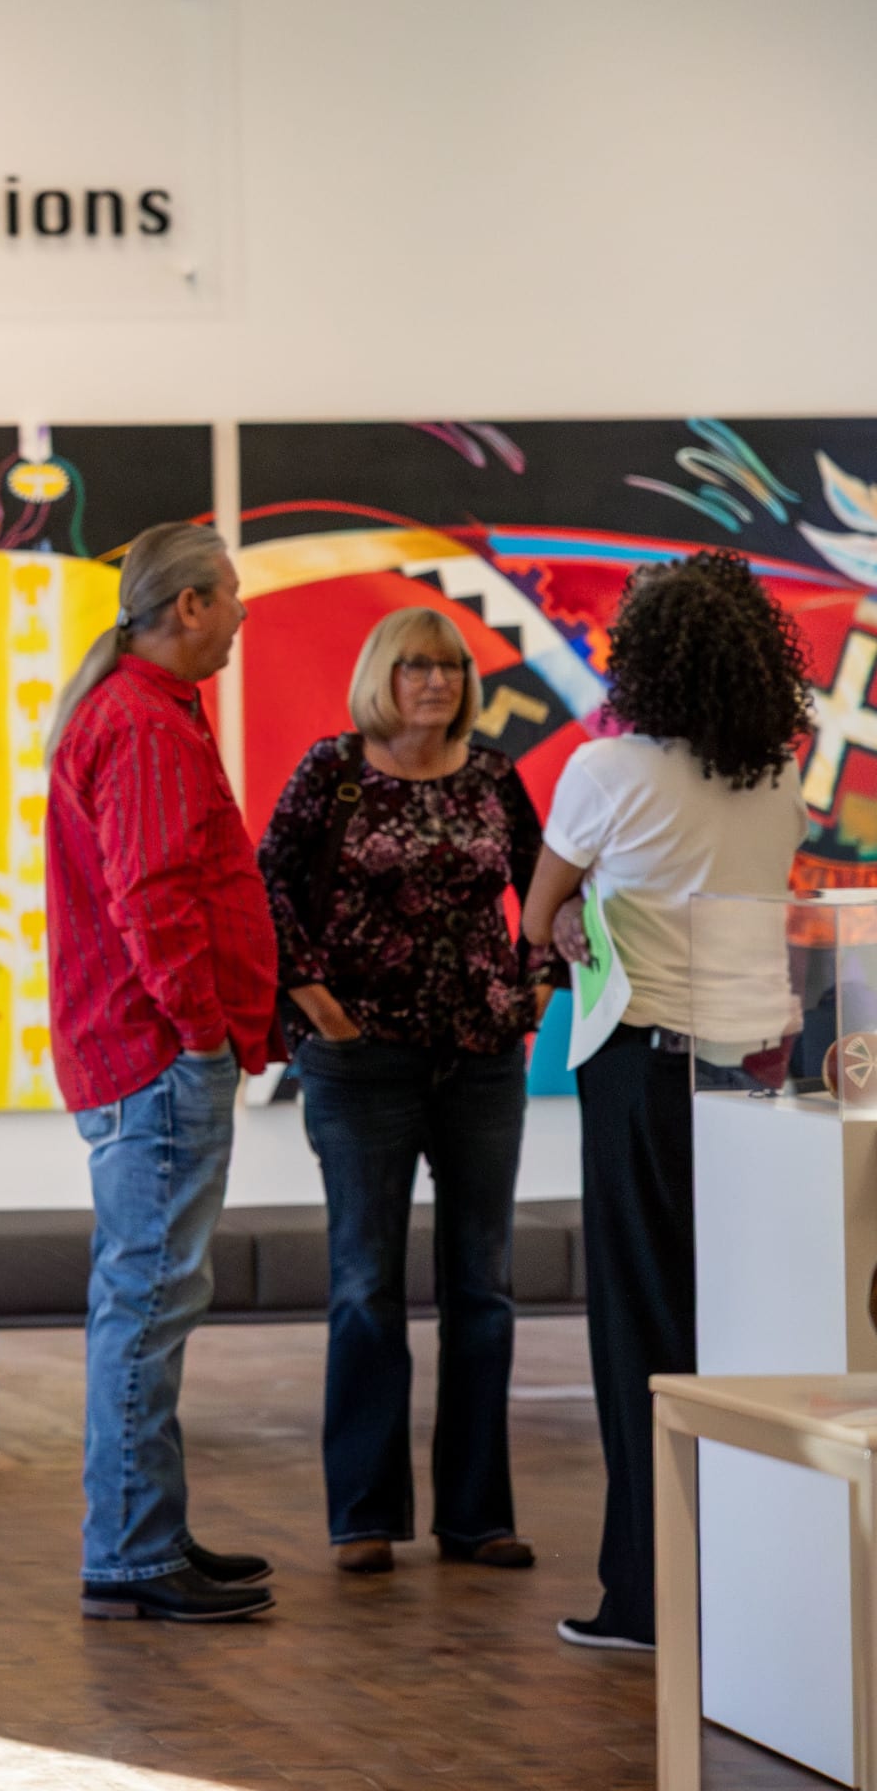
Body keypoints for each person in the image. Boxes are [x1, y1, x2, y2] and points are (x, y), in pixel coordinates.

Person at [520, 550, 811, 1654]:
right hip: (752, 1072)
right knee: (738, 1326)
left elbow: (543, 910)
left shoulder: (606, 772)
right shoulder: (776, 772)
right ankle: (753, 1576)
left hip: (640, 1071)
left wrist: (581, 921)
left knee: (643, 1329)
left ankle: (648, 1596)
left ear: (643, 657)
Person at [256, 607, 555, 1578]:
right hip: (361, 1062)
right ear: (381, 671)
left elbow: (545, 885)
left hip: (480, 1057)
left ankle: (476, 1517)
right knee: (365, 1289)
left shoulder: (491, 774)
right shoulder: (332, 771)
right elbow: (270, 888)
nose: (436, 679)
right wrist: (319, 1006)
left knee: (484, 1290)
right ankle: (364, 1514)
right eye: (417, 663)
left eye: (452, 665)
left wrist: (533, 985)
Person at [44, 520, 279, 1624]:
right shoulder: (140, 722)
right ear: (185, 606)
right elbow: (153, 897)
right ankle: (133, 1548)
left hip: (146, 1051)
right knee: (147, 1297)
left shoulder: (144, 711)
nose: (240, 611)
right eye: (228, 594)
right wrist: (199, 1029)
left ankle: (145, 1523)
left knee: (151, 1292)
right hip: (155, 1053)